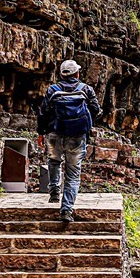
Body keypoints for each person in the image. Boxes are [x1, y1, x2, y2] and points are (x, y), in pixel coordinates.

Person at [36, 59, 101, 223]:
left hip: (54, 133)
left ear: (61, 74)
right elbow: (96, 109)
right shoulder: (86, 89)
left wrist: (41, 132)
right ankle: (66, 210)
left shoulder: (53, 90)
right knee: (72, 174)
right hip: (77, 136)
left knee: (54, 161)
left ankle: (54, 191)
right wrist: (84, 122)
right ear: (77, 74)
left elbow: (43, 112)